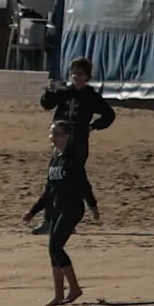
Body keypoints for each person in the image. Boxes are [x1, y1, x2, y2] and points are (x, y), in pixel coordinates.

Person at [22, 121, 99, 306]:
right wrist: (33, 212)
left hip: (72, 208)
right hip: (57, 208)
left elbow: (84, 185)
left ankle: (74, 288)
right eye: (51, 134)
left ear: (66, 136)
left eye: (56, 134)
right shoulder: (55, 159)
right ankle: (58, 296)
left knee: (57, 247)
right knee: (52, 251)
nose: (52, 138)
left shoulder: (73, 159)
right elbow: (48, 191)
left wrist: (93, 207)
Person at [36, 57, 116, 233]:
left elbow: (109, 115)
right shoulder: (64, 92)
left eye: (79, 74)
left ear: (87, 76)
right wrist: (49, 92)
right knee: (54, 180)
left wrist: (93, 126)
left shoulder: (91, 96)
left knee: (73, 182)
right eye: (73, 73)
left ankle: (67, 221)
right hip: (59, 142)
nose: (75, 77)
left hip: (78, 144)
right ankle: (49, 220)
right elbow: (46, 105)